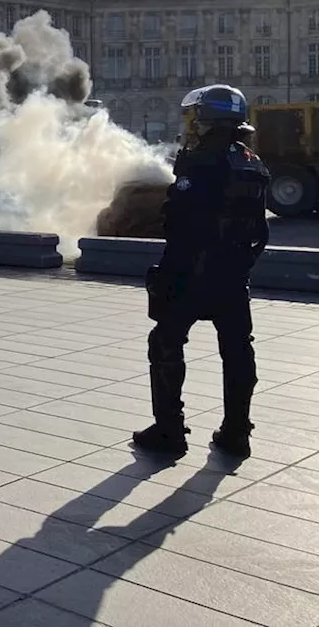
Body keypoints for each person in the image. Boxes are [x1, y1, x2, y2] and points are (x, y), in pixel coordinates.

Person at [134, 84, 269, 460]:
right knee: (239, 351)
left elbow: (179, 225)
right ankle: (236, 432)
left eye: (193, 117)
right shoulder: (250, 160)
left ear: (205, 119)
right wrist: (239, 266)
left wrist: (168, 277)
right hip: (233, 276)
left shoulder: (199, 161)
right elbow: (262, 231)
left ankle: (169, 431)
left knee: (165, 345)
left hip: (192, 273)